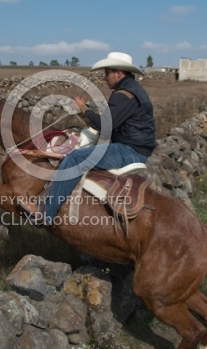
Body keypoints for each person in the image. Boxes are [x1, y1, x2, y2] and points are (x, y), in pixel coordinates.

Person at [21, 52, 156, 225]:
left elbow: (104, 124)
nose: (105, 77)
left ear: (119, 73)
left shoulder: (124, 94)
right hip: (135, 148)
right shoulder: (134, 91)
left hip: (129, 151)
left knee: (74, 158)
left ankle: (46, 214)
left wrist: (83, 107)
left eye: (107, 72)